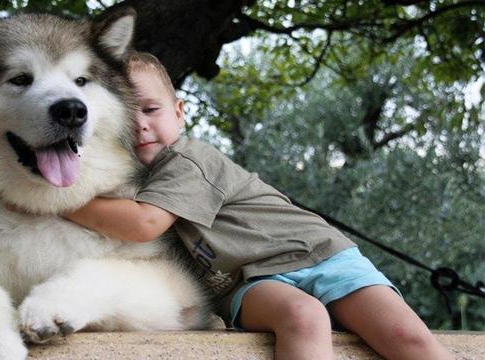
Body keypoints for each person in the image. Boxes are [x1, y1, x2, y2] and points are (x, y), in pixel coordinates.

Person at [64, 51, 453, 360]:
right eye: (126, 118)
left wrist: (59, 203)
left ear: (179, 112)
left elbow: (144, 224)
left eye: (150, 109)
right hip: (250, 282)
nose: (141, 126)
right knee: (303, 316)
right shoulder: (121, 177)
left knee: (408, 339)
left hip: (318, 255)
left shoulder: (189, 159)